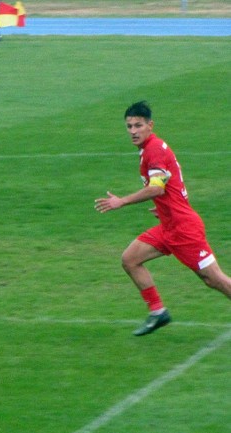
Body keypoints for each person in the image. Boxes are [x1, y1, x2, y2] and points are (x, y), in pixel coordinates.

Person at [94, 101, 231, 335]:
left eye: (138, 125)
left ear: (150, 125)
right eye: (129, 126)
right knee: (130, 259)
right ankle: (158, 312)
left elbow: (157, 187)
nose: (133, 131)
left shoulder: (154, 150)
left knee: (214, 280)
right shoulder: (149, 149)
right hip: (169, 225)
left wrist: (122, 201)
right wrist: (165, 209)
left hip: (183, 230)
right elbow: (168, 187)